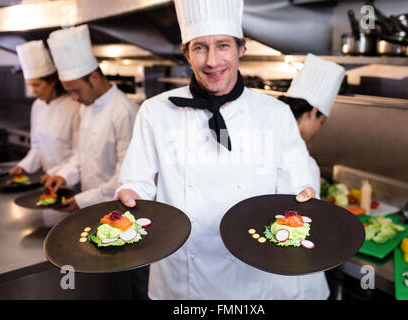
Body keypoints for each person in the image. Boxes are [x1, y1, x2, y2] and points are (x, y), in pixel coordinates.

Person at [116, 0, 327, 300]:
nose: (212, 61)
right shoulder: (155, 112)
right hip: (181, 282)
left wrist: (304, 200)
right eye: (200, 47)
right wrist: (130, 196)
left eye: (223, 45)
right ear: (187, 53)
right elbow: (137, 183)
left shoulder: (275, 114)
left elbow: (296, 191)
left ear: (242, 49)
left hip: (251, 281)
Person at [44, 24, 138, 212]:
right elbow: (82, 154)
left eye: (76, 90)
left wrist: (84, 200)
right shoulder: (86, 106)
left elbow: (126, 175)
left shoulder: (124, 112)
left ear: (94, 77)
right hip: (89, 204)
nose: (74, 98)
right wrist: (63, 175)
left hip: (115, 206)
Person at [10, 40, 80, 184]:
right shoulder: (37, 105)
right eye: (30, 85)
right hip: (48, 179)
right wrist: (23, 166)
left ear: (52, 82)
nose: (33, 91)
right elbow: (37, 147)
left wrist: (58, 173)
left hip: (71, 180)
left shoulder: (74, 106)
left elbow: (80, 153)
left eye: (37, 85)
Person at [278, 53, 345, 192]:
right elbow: (306, 210)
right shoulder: (305, 164)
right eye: (321, 122)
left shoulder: (264, 134)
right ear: (313, 112)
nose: (318, 130)